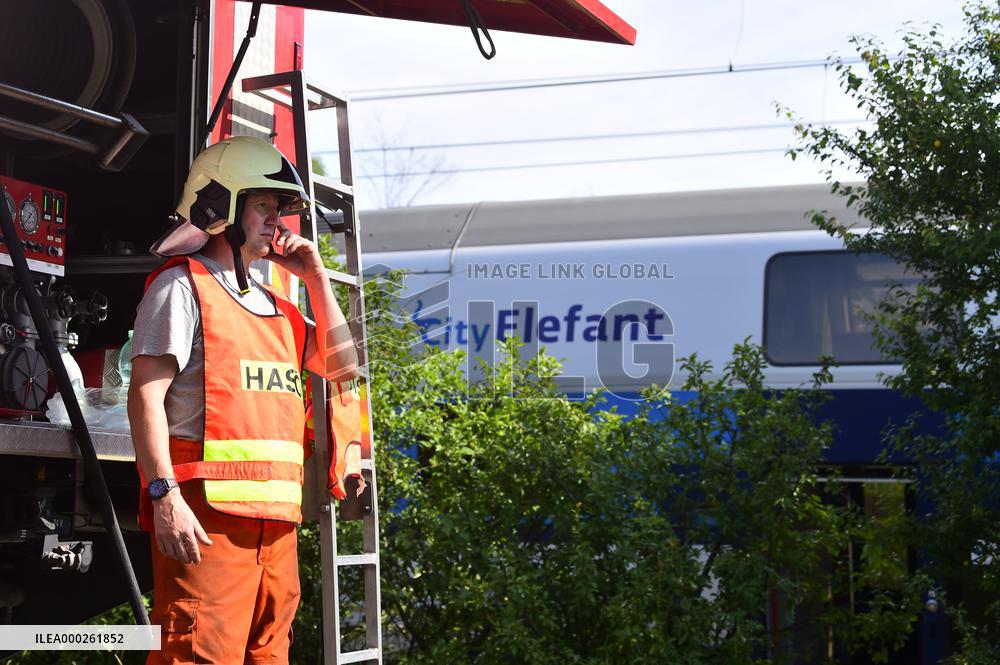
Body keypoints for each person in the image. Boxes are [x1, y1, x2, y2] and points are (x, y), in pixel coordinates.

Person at [127, 135, 359, 664]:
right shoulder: (180, 290)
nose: (276, 221)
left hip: (276, 530)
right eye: (263, 205)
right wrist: (164, 497)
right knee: (196, 655)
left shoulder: (280, 308)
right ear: (220, 207)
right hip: (207, 524)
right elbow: (145, 401)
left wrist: (318, 280)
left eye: (279, 210)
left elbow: (344, 368)